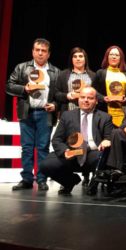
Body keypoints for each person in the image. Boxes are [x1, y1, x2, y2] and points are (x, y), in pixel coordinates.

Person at [6, 38, 60, 191]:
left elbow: (59, 94)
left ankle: (42, 179)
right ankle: (27, 179)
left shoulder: (55, 71)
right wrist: (24, 89)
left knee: (43, 148)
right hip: (27, 112)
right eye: (37, 50)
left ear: (48, 54)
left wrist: (55, 105)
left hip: (45, 114)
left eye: (44, 51)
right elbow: (9, 86)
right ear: (33, 51)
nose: (40, 53)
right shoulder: (22, 67)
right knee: (27, 147)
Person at [40, 87, 113, 195]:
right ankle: (70, 181)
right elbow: (57, 139)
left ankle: (93, 184)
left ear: (96, 101)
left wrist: (107, 140)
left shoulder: (105, 117)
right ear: (78, 99)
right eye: (82, 97)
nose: (86, 100)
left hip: (92, 152)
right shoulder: (67, 115)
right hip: (72, 152)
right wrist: (65, 151)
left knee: (101, 157)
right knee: (46, 165)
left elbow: (109, 137)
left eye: (90, 98)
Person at [54, 47, 96, 186]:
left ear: (85, 59)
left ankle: (87, 176)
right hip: (69, 116)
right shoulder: (63, 75)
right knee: (70, 146)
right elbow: (56, 94)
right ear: (71, 59)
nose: (78, 59)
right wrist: (67, 96)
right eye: (75, 56)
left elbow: (97, 95)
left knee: (86, 143)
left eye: (81, 56)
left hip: (89, 116)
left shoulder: (92, 76)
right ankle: (67, 180)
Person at [92, 45, 126, 127]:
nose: (114, 57)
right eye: (111, 54)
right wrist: (102, 98)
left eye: (117, 55)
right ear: (107, 57)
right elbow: (93, 90)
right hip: (104, 112)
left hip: (123, 114)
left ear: (121, 58)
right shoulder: (100, 73)